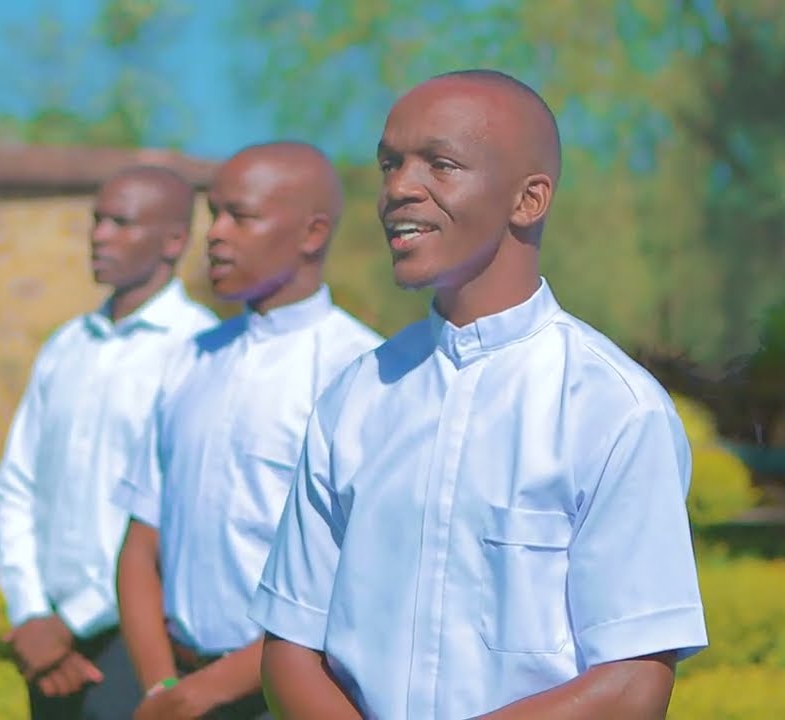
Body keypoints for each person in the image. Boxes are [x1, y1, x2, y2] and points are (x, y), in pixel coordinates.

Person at [249, 70, 709, 719]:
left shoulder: (612, 408)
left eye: (440, 163)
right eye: (390, 164)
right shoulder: (356, 395)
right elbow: (291, 646)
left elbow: (634, 681)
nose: (398, 189)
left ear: (529, 200)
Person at [113, 142, 382, 720]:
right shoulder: (192, 359)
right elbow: (141, 540)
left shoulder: (365, 373)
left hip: (295, 696)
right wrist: (163, 685)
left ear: (312, 233)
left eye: (242, 216)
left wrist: (207, 691)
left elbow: (363, 580)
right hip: (174, 686)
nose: (215, 234)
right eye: (214, 214)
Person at [0, 165, 217, 719]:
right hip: (43, 633)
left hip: (140, 640)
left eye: (121, 222)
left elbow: (179, 512)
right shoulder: (66, 345)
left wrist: (72, 622)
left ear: (174, 240)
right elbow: (18, 483)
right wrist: (31, 614)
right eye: (97, 220)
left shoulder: (199, 350)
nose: (99, 235)